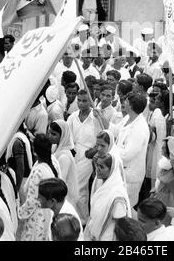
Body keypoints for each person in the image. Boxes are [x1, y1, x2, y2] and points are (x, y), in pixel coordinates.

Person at [67, 89, 103, 224]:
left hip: (87, 157)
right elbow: (67, 137)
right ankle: (72, 217)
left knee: (80, 189)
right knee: (70, 187)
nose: (81, 104)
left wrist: (94, 150)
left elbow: (102, 138)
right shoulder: (72, 117)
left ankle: (83, 220)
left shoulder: (95, 118)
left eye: (84, 101)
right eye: (79, 101)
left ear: (91, 101)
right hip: (73, 155)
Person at [18, 134, 61, 241]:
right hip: (49, 213)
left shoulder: (38, 171)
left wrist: (19, 212)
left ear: (34, 151)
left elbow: (32, 201)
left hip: (37, 217)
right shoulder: (53, 163)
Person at [84, 153, 131, 241]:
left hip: (108, 236)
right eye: (97, 165)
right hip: (95, 234)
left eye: (101, 167)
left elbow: (120, 222)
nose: (97, 169)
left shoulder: (117, 194)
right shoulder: (103, 186)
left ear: (112, 169)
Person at [116, 92, 149, 209]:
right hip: (120, 171)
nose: (123, 102)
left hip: (131, 176)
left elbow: (127, 155)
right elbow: (115, 130)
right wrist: (100, 117)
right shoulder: (127, 118)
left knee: (125, 207)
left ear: (130, 105)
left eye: (126, 101)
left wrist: (112, 150)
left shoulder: (140, 128)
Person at [47, 120, 79, 207]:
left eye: (54, 134)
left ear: (63, 136)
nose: (49, 136)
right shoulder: (55, 147)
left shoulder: (64, 157)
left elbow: (60, 181)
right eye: (48, 132)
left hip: (64, 197)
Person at [5, 121, 33, 202]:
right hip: (22, 180)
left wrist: (16, 188)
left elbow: (21, 168)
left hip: (21, 182)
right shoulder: (20, 136)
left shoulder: (17, 142)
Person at [152, 136, 174, 208]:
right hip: (159, 198)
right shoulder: (165, 163)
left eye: (164, 147)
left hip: (169, 202)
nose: (162, 148)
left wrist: (172, 142)